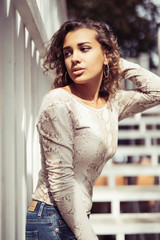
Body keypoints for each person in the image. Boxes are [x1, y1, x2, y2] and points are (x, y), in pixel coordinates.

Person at [25, 19, 160, 240]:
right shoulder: (58, 103)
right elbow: (61, 181)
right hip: (51, 218)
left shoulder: (112, 103)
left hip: (77, 215)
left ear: (106, 54)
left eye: (84, 49)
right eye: (68, 53)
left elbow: (156, 91)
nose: (74, 58)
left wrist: (116, 62)